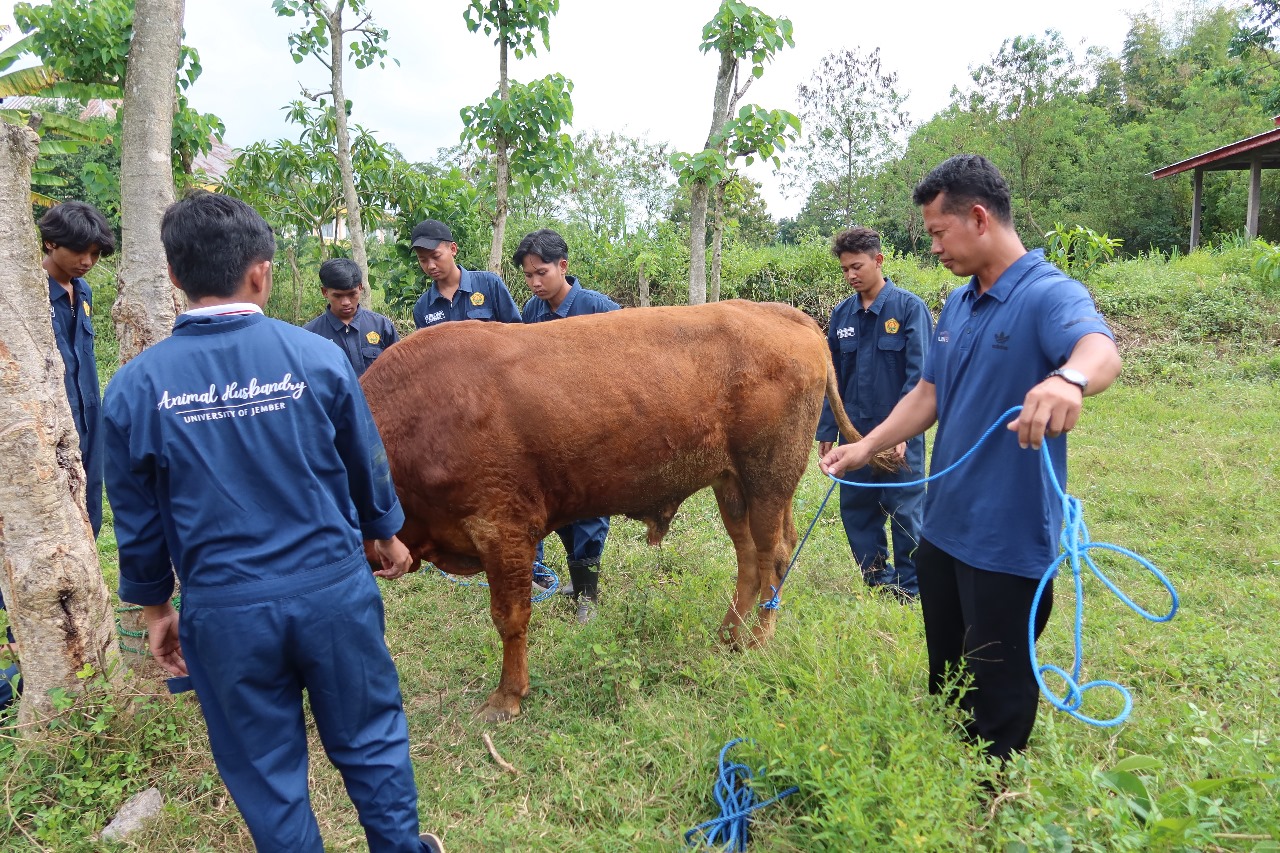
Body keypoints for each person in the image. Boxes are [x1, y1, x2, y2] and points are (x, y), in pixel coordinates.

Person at [103, 191, 445, 853]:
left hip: (225, 610)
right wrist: (383, 531)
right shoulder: (317, 360)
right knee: (371, 737)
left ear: (175, 276)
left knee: (264, 768)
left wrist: (153, 609)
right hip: (333, 593)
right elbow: (364, 460)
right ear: (261, 271)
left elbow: (137, 522)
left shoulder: (135, 388)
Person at [820, 155, 1122, 762]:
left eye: (937, 232)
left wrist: (1069, 381)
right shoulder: (958, 303)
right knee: (949, 672)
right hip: (945, 526)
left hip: (1008, 538)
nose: (932, 246)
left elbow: (1100, 349)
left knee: (999, 683)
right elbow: (927, 394)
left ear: (978, 218)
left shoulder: (1047, 293)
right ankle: (946, 766)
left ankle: (991, 792)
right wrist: (866, 445)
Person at [816, 227, 932, 600]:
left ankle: (911, 588)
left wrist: (903, 432)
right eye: (845, 269)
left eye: (857, 266)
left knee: (905, 510)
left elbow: (920, 377)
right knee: (857, 509)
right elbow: (831, 379)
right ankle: (877, 582)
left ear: (878, 260)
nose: (851, 275)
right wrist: (827, 431)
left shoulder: (909, 308)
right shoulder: (842, 315)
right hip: (854, 434)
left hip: (899, 431)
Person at [515, 228, 620, 623]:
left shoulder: (599, 309)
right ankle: (577, 580)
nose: (535, 282)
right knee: (559, 510)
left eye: (541, 272)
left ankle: (587, 595)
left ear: (563, 266)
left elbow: (634, 361)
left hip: (595, 430)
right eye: (528, 276)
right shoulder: (531, 313)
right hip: (551, 432)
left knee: (590, 510)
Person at [40, 201, 115, 538]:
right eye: (79, 251)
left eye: (95, 254)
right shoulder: (32, 294)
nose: (87, 262)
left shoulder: (83, 292)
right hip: (49, 422)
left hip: (89, 416)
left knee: (89, 504)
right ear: (50, 242)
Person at [409, 219, 521, 329]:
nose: (431, 266)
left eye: (436, 256)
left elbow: (516, 332)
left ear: (453, 249)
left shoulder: (489, 284)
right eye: (423, 260)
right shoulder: (422, 308)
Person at [302, 257, 400, 377]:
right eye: (338, 296)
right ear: (325, 292)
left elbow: (399, 370)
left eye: (352, 294)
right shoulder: (309, 335)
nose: (346, 302)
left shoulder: (382, 326)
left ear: (360, 288)